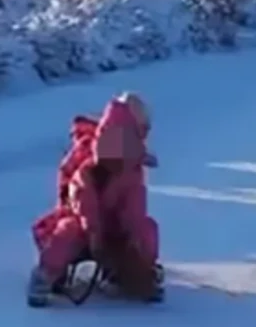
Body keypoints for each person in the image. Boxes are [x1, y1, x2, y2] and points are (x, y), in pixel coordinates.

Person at [28, 93, 162, 306]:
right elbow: (82, 201)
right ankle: (46, 274)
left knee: (146, 229)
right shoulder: (88, 168)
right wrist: (94, 234)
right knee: (67, 232)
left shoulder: (133, 170)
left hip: (115, 227)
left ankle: (140, 271)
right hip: (85, 224)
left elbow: (135, 204)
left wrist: (130, 237)